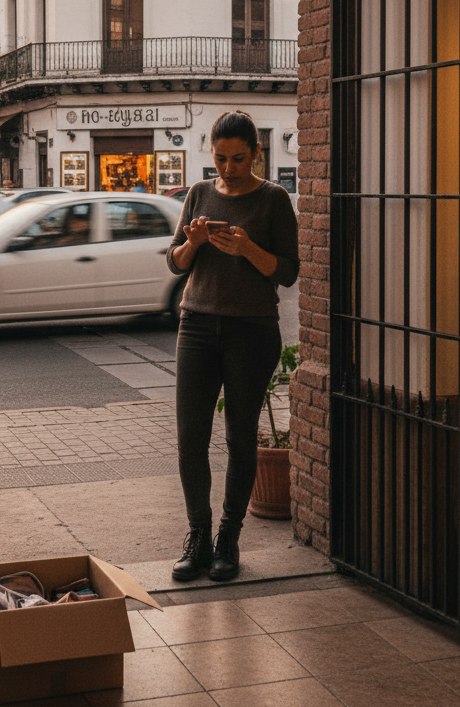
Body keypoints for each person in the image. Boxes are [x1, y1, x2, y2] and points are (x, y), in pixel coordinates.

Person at [166, 110, 298, 582]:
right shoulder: (200, 194)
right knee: (189, 439)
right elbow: (175, 262)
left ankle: (228, 537)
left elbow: (286, 271)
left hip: (252, 331)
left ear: (255, 153)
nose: (227, 168)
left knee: (240, 439)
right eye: (220, 158)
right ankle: (197, 535)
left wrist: (246, 249)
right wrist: (195, 242)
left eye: (238, 159)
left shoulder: (274, 199)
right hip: (197, 325)